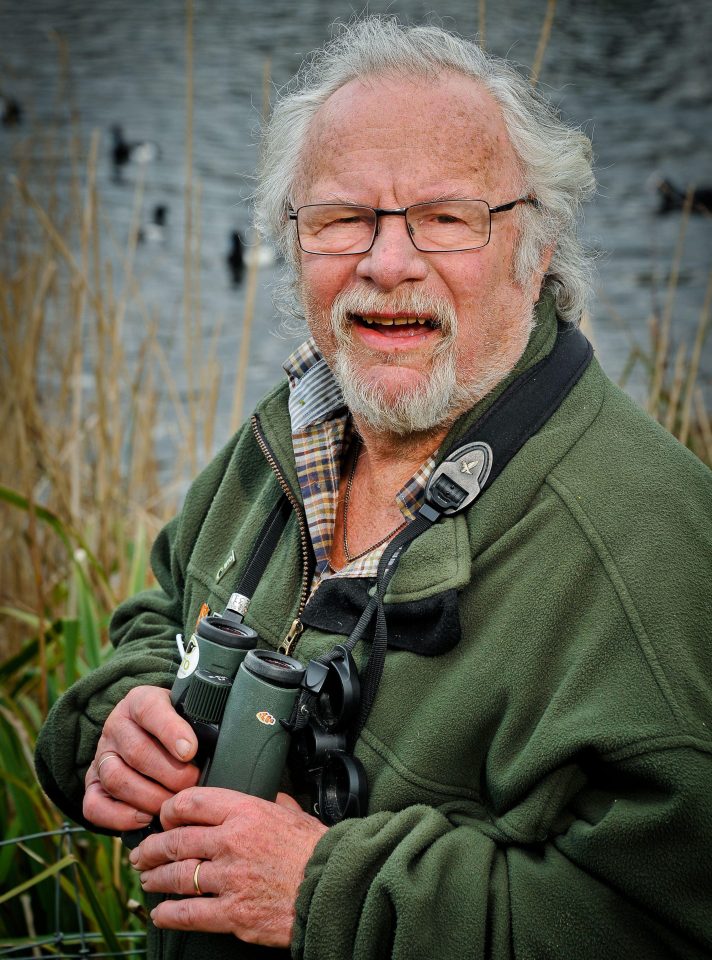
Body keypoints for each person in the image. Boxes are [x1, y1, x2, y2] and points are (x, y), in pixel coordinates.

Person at [35, 17, 712, 960]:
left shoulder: (649, 542)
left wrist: (329, 893)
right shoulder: (296, 425)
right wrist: (117, 724)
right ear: (295, 240)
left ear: (538, 247)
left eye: (446, 217)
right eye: (343, 219)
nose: (387, 265)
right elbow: (160, 619)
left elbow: (664, 925)